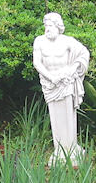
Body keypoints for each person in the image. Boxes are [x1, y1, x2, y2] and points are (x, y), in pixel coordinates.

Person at [33, 12, 90, 166]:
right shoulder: (39, 41)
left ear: (58, 26)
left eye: (50, 26)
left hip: (65, 83)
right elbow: (37, 63)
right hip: (50, 85)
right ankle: (59, 150)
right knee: (55, 117)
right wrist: (51, 77)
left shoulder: (68, 42)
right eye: (46, 26)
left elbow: (84, 54)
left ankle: (71, 149)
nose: (47, 29)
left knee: (67, 116)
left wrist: (73, 68)